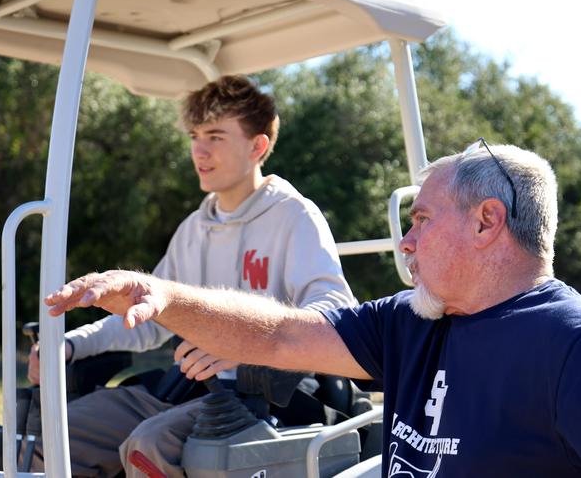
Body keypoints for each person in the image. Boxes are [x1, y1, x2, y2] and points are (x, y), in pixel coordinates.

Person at [46, 141, 581, 477]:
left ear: (488, 222)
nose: (406, 241)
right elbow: (282, 338)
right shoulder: (409, 319)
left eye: (422, 220)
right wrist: (166, 297)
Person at [29, 75, 355, 477]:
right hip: (190, 387)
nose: (199, 150)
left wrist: (252, 342)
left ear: (258, 146)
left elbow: (337, 309)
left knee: (150, 446)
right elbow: (145, 320)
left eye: (216, 136)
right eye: (195, 135)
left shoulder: (294, 215)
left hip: (266, 396)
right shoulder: (193, 228)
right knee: (59, 435)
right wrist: (68, 345)